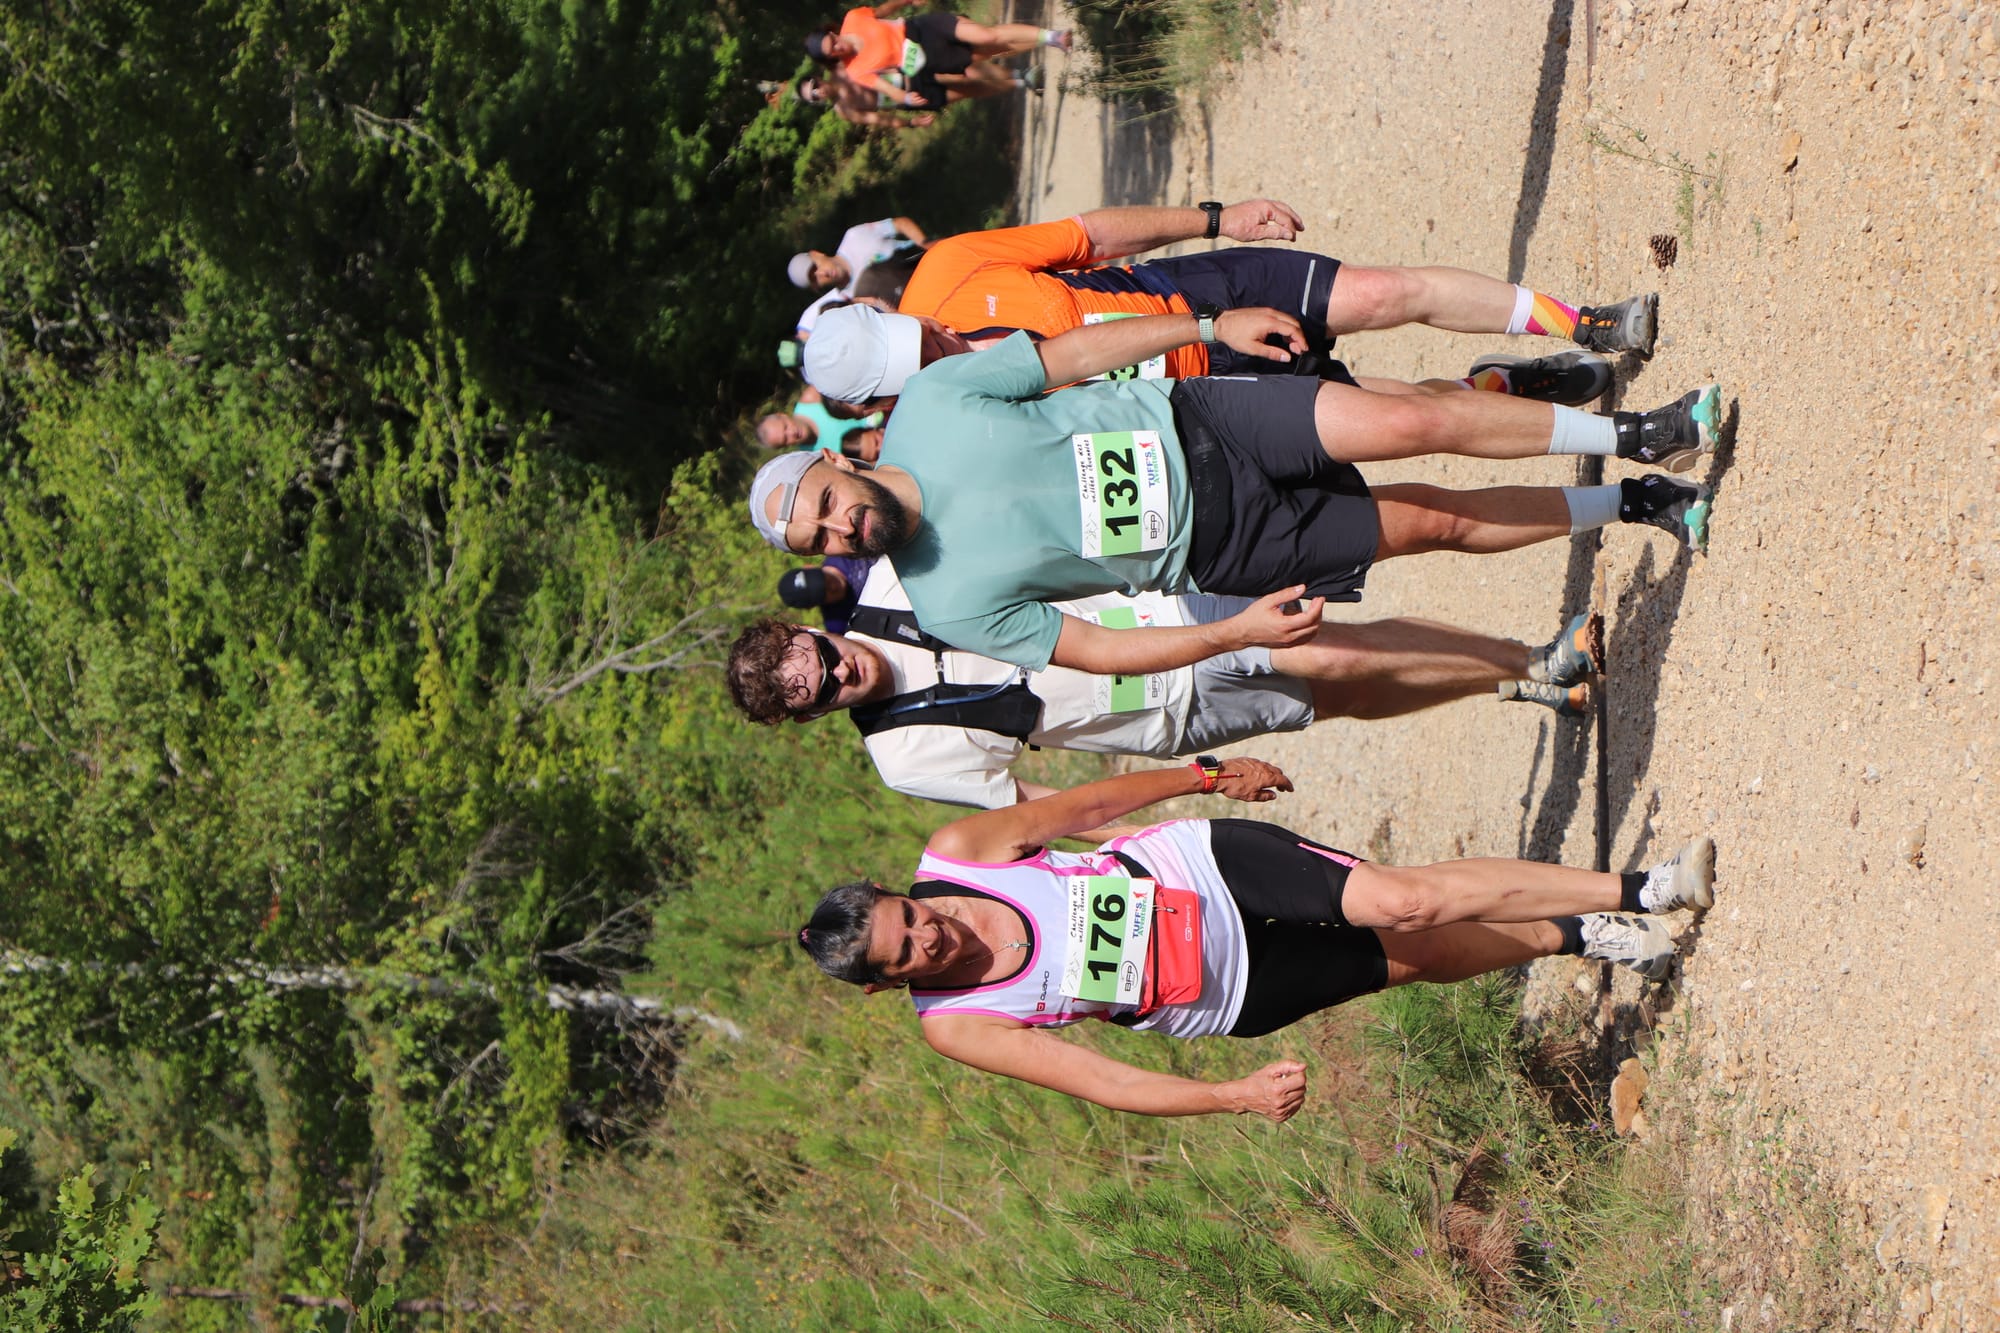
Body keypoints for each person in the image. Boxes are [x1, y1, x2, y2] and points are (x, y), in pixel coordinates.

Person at [751, 304, 1722, 673]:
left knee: (1408, 421)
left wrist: (1204, 325)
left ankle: (1641, 433)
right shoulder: (942, 603)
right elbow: (1095, 649)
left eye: (824, 503)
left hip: (1200, 420)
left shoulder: (930, 400)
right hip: (1219, 545)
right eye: (818, 541)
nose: (838, 528)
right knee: (1433, 522)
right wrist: (1231, 632)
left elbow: (1069, 356)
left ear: (836, 462)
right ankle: (1638, 503)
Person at [797, 758, 1716, 1120]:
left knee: (1402, 901)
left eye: (911, 913)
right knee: (1426, 957)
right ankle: (1575, 932)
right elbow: (1101, 1081)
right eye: (907, 952)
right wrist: (1231, 1096)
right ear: (888, 984)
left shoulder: (959, 853)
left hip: (1198, 868)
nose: (932, 933)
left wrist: (1204, 775)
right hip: (1222, 988)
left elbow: (1089, 805)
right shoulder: (957, 1022)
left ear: (895, 889)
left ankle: (1644, 885)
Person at [728, 560, 1602, 808]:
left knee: (1338, 648)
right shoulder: (903, 756)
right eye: (821, 691)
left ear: (813, 629)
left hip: (1156, 613)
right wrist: (1198, 784)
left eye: (821, 654)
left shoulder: (897, 582)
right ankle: (1499, 682)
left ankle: (1531, 656)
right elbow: (1039, 805)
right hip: (1162, 718)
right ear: (813, 715)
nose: (840, 671)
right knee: (1349, 696)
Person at [802, 196, 1658, 411]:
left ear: (884, 310)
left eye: (916, 336)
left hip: (1191, 294)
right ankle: (1507, 388)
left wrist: (1216, 218)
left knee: (1383, 293)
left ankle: (1586, 321)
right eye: (914, 367)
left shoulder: (949, 267)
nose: (934, 346)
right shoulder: (939, 414)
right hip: (1199, 401)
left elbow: (1088, 237)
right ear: (882, 398)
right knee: (1401, 410)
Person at [805, 2, 1067, 112]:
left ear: (832, 32)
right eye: (832, 52)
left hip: (922, 29)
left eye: (833, 41)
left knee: (986, 35)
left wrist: (907, 1)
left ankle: (1053, 37)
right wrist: (906, 98)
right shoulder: (854, 70)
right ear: (830, 59)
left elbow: (884, 9)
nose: (838, 47)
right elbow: (884, 87)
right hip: (925, 59)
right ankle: (1025, 70)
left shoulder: (853, 18)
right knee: (990, 51)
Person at [788, 216, 927, 339]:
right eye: (815, 278)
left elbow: (900, 223)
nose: (822, 273)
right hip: (924, 306)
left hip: (928, 263)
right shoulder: (853, 304)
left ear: (817, 254)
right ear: (816, 287)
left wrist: (925, 244)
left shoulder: (854, 236)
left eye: (815, 267)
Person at [754, 384, 881, 452]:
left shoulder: (813, 397)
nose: (791, 433)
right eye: (785, 439)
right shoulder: (816, 458)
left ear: (782, 415)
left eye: (785, 427)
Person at [776, 556, 875, 635]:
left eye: (825, 580)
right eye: (823, 593)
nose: (833, 587)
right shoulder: (839, 625)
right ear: (812, 606)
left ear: (809, 567)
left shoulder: (846, 552)